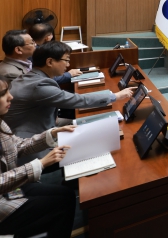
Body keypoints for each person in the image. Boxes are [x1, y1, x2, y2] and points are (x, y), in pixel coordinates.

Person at [4, 41, 136, 141]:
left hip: (44, 124)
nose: (68, 65)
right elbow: (77, 100)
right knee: (100, 133)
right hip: (31, 140)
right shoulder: (39, 85)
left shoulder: (32, 76)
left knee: (92, 122)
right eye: (66, 60)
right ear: (50, 62)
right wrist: (115, 96)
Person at [0, 76, 77, 238]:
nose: (10, 97)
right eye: (3, 93)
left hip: (10, 190)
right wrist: (40, 164)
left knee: (67, 194)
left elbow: (18, 146)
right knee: (60, 205)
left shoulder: (1, 122)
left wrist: (51, 134)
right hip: (3, 200)